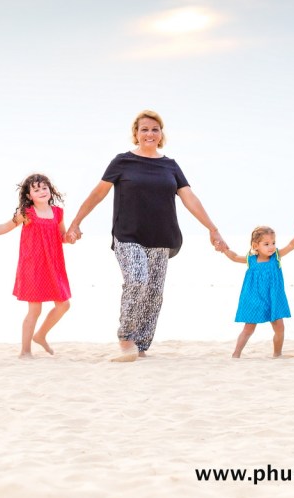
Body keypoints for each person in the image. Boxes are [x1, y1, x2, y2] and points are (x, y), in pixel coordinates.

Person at [66, 110, 228, 362]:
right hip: (128, 234)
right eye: (144, 129)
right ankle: (126, 338)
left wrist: (213, 229)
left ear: (161, 134)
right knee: (137, 280)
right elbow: (98, 193)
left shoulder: (170, 165)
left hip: (162, 236)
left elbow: (189, 199)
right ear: (136, 133)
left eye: (155, 129)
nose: (150, 134)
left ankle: (140, 347)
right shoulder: (122, 161)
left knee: (153, 293)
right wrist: (76, 222)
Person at [0, 173, 72, 359]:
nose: (42, 191)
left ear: (50, 190)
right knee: (35, 309)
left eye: (44, 188)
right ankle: (25, 351)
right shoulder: (27, 213)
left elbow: (62, 236)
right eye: (36, 190)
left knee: (64, 305)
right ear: (29, 196)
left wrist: (70, 237)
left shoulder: (58, 213)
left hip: (54, 265)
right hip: (33, 266)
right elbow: (5, 227)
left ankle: (40, 335)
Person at [220, 225, 294, 359]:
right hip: (254, 298)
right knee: (248, 328)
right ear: (256, 246)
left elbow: (291, 245)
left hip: (273, 298)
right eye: (266, 244)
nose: (271, 247)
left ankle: (277, 353)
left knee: (280, 328)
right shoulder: (251, 260)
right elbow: (234, 257)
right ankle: (236, 354)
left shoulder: (276, 256)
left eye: (273, 243)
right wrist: (224, 249)